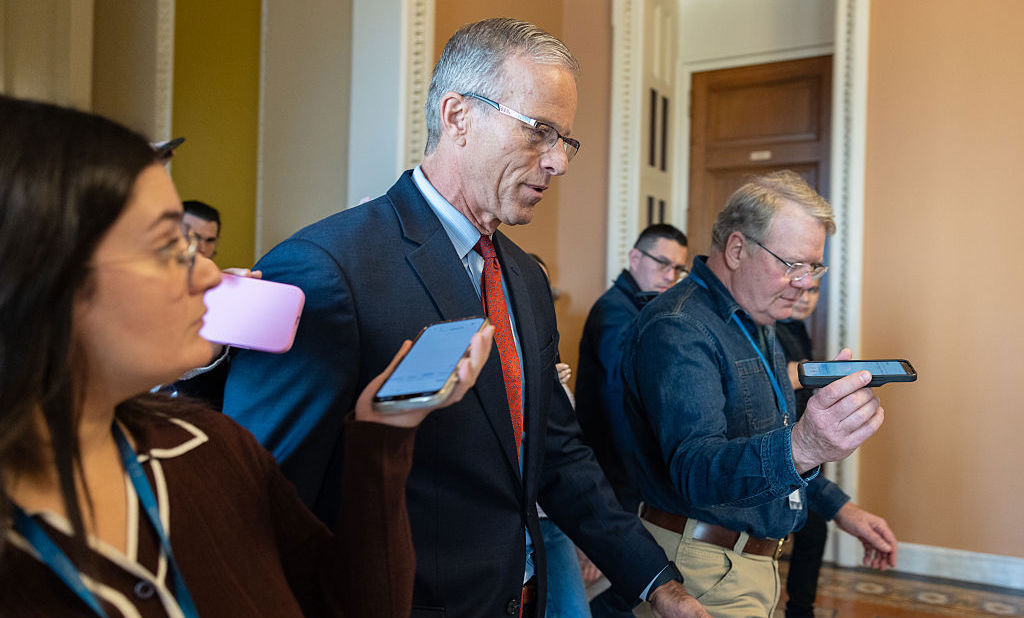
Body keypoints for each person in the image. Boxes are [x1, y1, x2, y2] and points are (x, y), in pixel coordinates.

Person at [223, 18, 707, 618]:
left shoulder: (525, 278)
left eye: (566, 141)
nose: (558, 162)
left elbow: (556, 455)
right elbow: (267, 500)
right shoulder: (326, 269)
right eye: (540, 132)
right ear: (457, 116)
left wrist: (659, 584)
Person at [0, 94, 492, 617]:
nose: (212, 273)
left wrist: (384, 435)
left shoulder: (211, 449)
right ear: (42, 277)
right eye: (170, 247)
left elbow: (350, 605)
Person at [621, 171, 898, 617]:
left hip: (741, 564)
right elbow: (696, 471)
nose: (806, 283)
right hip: (700, 570)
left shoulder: (756, 317)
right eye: (792, 264)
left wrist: (840, 508)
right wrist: (806, 445)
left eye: (814, 267)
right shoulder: (679, 327)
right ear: (736, 249)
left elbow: (764, 435)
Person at [575, 224, 687, 617]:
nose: (670, 276)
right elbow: (619, 397)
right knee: (620, 588)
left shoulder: (642, 308)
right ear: (635, 258)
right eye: (663, 263)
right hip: (611, 473)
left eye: (678, 269)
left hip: (626, 473)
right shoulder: (615, 310)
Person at [776, 284, 829, 618]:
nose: (807, 297)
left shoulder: (797, 330)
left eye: (815, 290)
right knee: (813, 527)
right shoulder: (771, 328)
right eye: (802, 290)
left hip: (797, 447)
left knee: (815, 526)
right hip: (778, 448)